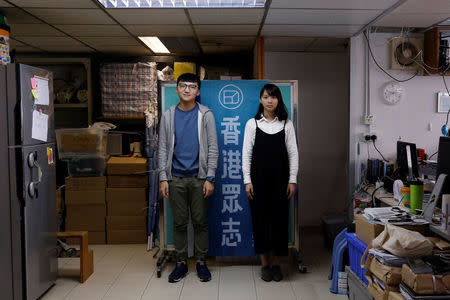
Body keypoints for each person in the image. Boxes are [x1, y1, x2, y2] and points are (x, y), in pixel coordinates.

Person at [158, 73, 219, 283]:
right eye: (182, 86)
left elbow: (213, 148)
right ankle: (181, 263)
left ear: (198, 91)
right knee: (180, 223)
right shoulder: (168, 115)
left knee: (200, 222)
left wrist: (210, 177)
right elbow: (163, 148)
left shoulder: (206, 114)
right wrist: (163, 178)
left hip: (199, 178)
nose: (186, 90)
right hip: (175, 178)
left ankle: (201, 262)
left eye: (191, 87)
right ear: (176, 89)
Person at [242, 83, 299, 282]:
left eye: (273, 97)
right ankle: (264, 264)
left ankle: (276, 263)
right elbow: (246, 154)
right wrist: (247, 180)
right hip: (257, 182)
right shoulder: (253, 124)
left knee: (278, 222)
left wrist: (292, 180)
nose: (269, 101)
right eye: (266, 97)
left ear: (278, 100)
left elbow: (293, 153)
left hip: (281, 182)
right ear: (261, 99)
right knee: (260, 222)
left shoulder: (286, 124)